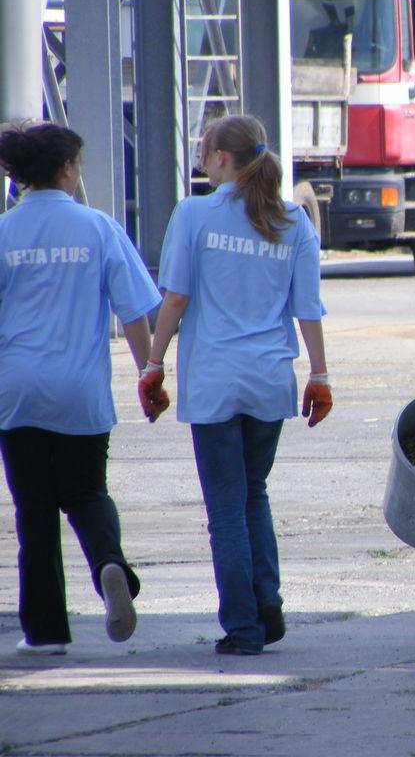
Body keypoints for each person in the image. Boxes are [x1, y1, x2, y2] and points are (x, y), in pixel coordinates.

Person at [145, 115, 332, 656]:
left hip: (213, 381)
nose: (202, 161)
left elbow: (175, 299)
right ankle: (266, 602)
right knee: (254, 492)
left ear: (223, 158)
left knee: (226, 506)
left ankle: (244, 626)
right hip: (269, 379)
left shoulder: (195, 214)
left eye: (205, 152)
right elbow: (308, 310)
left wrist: (153, 363)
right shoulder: (294, 222)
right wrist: (319, 375)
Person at [0, 123, 163, 655]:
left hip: (18, 392)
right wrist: (148, 373)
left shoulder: (4, 232)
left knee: (35, 512)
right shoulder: (97, 228)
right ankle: (110, 565)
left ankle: (45, 633)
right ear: (67, 168)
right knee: (88, 493)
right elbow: (135, 309)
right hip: (80, 392)